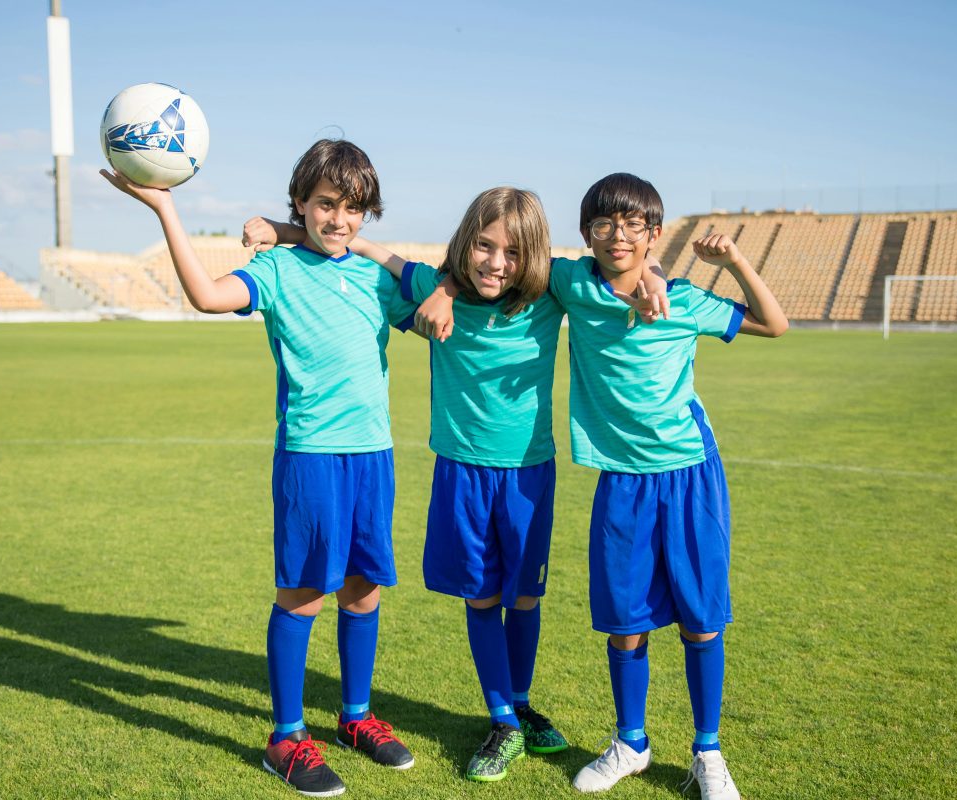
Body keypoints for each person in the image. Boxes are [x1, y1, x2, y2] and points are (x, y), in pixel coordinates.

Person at [243, 186, 670, 783]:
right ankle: (500, 719)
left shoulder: (552, 289)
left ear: (534, 257)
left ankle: (519, 704)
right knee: (481, 595)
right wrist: (286, 232)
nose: (497, 262)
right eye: (485, 246)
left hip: (529, 472)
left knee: (525, 597)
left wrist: (653, 271)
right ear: (465, 244)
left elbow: (618, 262)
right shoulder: (430, 287)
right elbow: (362, 250)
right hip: (461, 471)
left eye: (514, 252)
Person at [102, 138, 419, 798]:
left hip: (374, 454)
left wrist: (424, 291)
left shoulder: (373, 278)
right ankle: (285, 737)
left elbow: (433, 294)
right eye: (325, 205)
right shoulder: (275, 273)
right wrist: (165, 211)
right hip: (311, 457)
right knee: (304, 592)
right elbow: (205, 295)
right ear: (301, 203)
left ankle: (355, 719)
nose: (340, 219)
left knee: (364, 590)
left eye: (354, 208)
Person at [549, 173, 787, 798]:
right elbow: (511, 262)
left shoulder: (684, 300)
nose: (618, 235)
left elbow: (774, 323)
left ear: (653, 234)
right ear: (587, 234)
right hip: (622, 481)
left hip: (689, 477)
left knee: (701, 620)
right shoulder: (574, 283)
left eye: (632, 226)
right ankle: (631, 743)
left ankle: (707, 753)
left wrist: (732, 260)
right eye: (604, 224)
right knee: (625, 623)